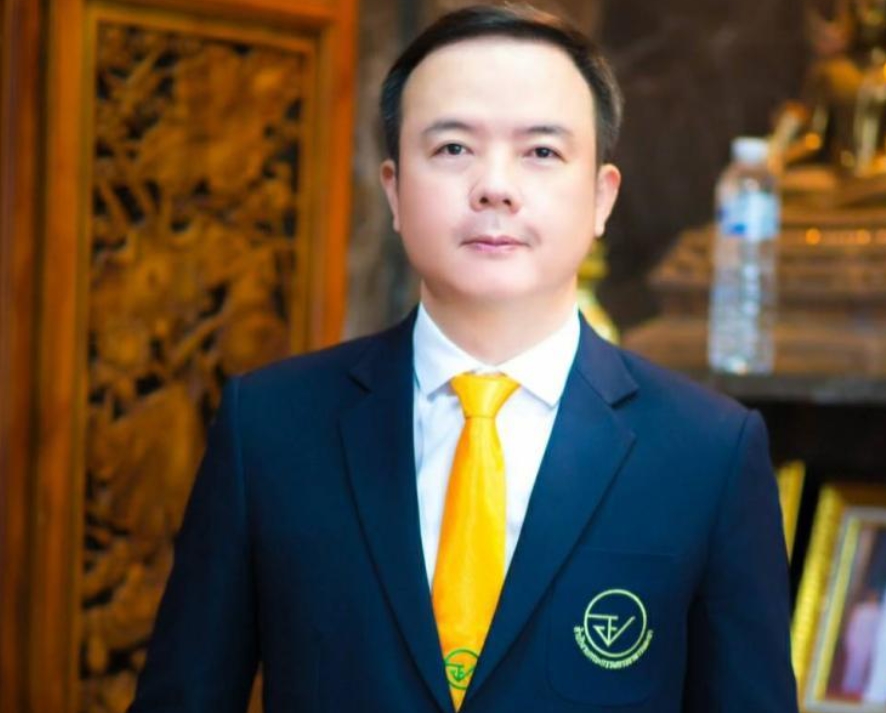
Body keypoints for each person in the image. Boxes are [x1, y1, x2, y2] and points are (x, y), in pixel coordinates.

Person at [128, 4, 798, 712]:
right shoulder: (270, 428)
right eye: (453, 148)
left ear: (602, 197)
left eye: (541, 152)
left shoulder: (708, 452)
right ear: (393, 189)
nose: (494, 186)